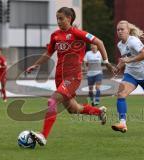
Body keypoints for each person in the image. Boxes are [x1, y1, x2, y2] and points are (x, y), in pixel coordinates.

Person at [26, 7, 115, 146]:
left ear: (69, 18)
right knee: (74, 109)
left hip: (73, 77)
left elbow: (99, 42)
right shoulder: (55, 35)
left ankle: (43, 135)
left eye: (61, 18)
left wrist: (106, 62)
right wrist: (35, 65)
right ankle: (99, 112)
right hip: (59, 77)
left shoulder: (77, 33)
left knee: (52, 101)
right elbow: (48, 53)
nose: (58, 21)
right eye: (57, 18)